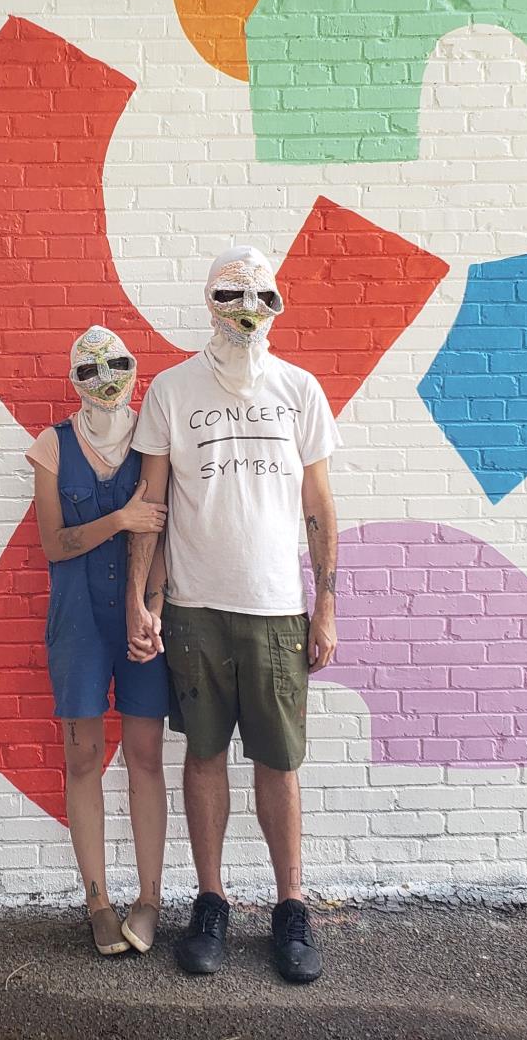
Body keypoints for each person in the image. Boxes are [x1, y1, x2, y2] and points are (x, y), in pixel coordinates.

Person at [125, 246, 340, 984]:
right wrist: (145, 600)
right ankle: (210, 901)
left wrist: (326, 604)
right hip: (195, 607)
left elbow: (318, 505)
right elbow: (152, 506)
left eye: (262, 297)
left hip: (279, 607)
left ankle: (290, 907)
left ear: (278, 304)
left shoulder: (299, 390)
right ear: (209, 300)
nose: (247, 311)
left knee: (279, 764)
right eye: (231, 295)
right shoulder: (171, 390)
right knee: (204, 755)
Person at [28, 325, 172, 957]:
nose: (106, 379)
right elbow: (54, 545)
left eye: (117, 364)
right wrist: (117, 518)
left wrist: (154, 610)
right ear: (72, 379)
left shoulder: (155, 439)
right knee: (84, 758)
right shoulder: (51, 447)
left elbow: (166, 534)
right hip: (78, 620)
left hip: (140, 618)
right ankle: (97, 901)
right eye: (89, 369)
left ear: (134, 369)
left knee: (145, 756)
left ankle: (149, 901)